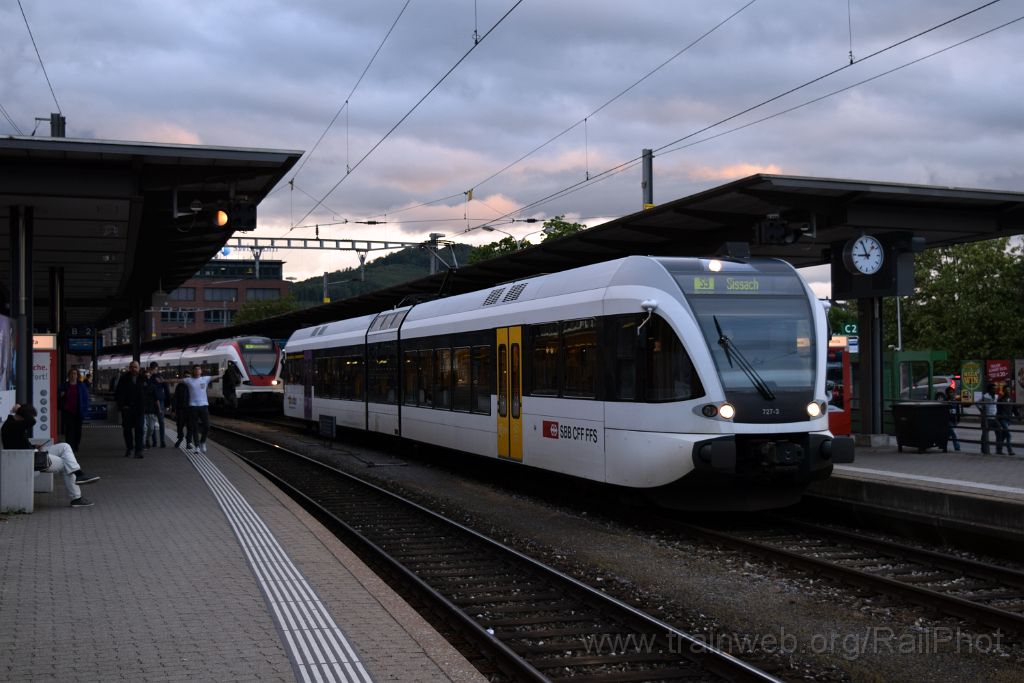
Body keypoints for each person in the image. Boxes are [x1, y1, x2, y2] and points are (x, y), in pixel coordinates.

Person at [2, 403, 99, 507]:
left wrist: (34, 446)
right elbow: (31, 421)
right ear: (22, 416)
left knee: (64, 446)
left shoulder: (13, 424)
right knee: (67, 464)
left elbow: (18, 443)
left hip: (30, 454)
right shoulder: (11, 425)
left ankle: (79, 474)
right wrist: (20, 409)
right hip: (28, 458)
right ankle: (76, 498)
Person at [115, 360, 146, 458]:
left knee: (139, 430)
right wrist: (122, 406)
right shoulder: (124, 379)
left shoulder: (143, 378)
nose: (134, 369)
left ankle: (139, 450)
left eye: (136, 367)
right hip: (127, 409)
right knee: (127, 430)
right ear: (129, 368)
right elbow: (118, 393)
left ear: (139, 368)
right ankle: (129, 448)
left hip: (139, 409)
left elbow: (148, 393)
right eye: (132, 367)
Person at [57, 368, 89, 452]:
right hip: (68, 411)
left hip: (78, 411)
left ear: (77, 375)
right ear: (68, 375)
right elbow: (57, 396)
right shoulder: (64, 385)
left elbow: (86, 399)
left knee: (78, 429)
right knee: (69, 429)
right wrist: (61, 395)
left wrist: (85, 410)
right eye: (71, 374)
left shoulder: (81, 385)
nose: (73, 375)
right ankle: (70, 446)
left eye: (75, 374)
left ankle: (76, 444)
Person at [183, 364, 211, 452]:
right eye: (196, 369)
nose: (197, 370)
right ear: (193, 371)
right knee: (195, 427)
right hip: (193, 406)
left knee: (207, 426)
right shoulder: (188, 380)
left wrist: (224, 373)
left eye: (199, 369)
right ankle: (197, 446)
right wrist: (164, 381)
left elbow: (217, 376)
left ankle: (202, 442)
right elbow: (176, 380)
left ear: (201, 371)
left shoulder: (205, 379)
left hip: (204, 405)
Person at [147, 362, 168, 447]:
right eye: (153, 369)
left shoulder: (160, 377)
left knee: (160, 421)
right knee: (153, 422)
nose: (154, 371)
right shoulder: (148, 377)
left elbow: (166, 389)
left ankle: (161, 441)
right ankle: (155, 441)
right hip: (152, 401)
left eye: (155, 369)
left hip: (160, 401)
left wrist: (167, 402)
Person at [141, 369, 161, 449]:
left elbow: (156, 399)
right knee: (144, 428)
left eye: (149, 376)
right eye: (146, 376)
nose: (147, 377)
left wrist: (159, 409)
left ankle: (146, 439)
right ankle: (142, 444)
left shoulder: (153, 386)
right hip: (142, 410)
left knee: (151, 428)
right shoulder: (139, 385)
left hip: (151, 410)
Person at [979, 383, 999, 455]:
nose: (995, 389)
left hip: (994, 417)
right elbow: (977, 403)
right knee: (985, 434)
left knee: (1000, 431)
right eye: (993, 388)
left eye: (995, 388)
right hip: (987, 417)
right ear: (990, 389)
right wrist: (981, 411)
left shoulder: (996, 396)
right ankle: (984, 450)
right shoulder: (985, 396)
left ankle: (998, 449)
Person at [996, 386, 1015, 455]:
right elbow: (997, 410)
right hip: (1002, 419)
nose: (1008, 391)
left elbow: (1014, 409)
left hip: (1008, 419)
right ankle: (1010, 451)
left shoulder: (1011, 399)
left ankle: (999, 450)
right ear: (1003, 391)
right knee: (1008, 435)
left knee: (1004, 435)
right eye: (1006, 390)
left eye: (1009, 390)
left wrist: (1018, 416)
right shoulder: (1001, 400)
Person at [172, 379, 191, 448]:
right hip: (180, 409)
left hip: (190, 409)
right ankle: (180, 438)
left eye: (188, 377)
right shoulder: (179, 386)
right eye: (185, 377)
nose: (187, 379)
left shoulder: (192, 386)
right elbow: (175, 398)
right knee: (179, 425)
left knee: (190, 427)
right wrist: (173, 410)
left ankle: (188, 442)